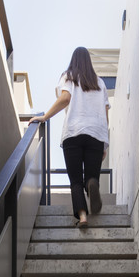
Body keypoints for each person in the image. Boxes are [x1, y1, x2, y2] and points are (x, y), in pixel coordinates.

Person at [29, 47, 110, 228]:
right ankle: (92, 183)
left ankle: (83, 217)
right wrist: (105, 143)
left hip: (73, 133)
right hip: (96, 134)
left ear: (74, 60)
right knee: (91, 175)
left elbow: (65, 98)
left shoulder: (69, 76)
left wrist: (44, 117)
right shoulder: (100, 83)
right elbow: (105, 114)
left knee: (75, 180)